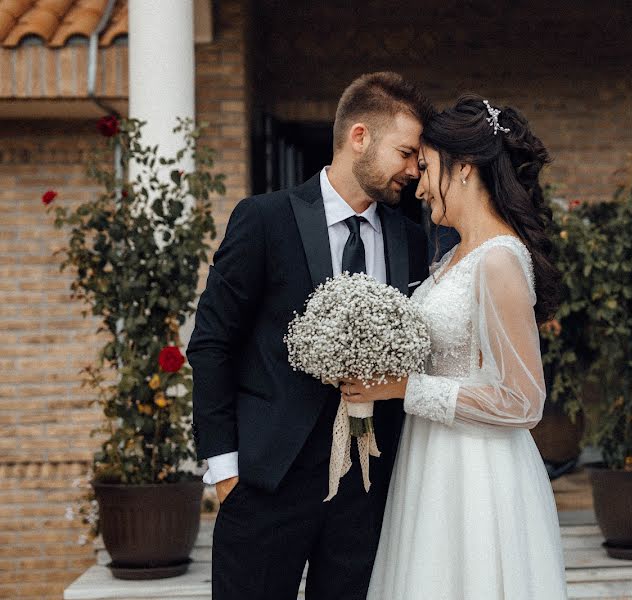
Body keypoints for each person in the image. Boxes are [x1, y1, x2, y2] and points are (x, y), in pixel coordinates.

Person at [187, 72, 432, 600]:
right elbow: (211, 342)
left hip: (365, 491)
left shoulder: (412, 240)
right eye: (407, 153)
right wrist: (225, 472)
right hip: (264, 482)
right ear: (359, 136)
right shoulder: (264, 219)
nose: (414, 171)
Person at [340, 96, 568, 599]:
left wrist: (402, 388)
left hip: (477, 473)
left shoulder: (498, 262)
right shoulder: (452, 258)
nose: (419, 186)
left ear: (464, 168)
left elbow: (524, 401)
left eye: (427, 169)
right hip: (433, 459)